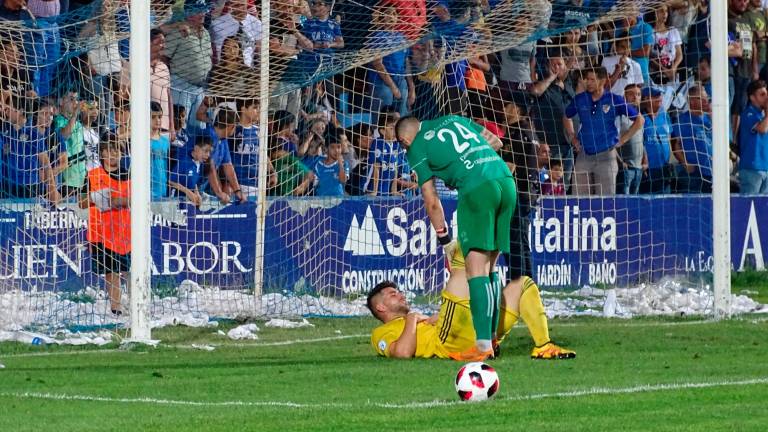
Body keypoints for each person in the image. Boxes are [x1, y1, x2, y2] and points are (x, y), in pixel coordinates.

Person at [395, 114, 514, 361]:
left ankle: (481, 349)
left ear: (405, 141)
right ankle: (490, 340)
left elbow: (431, 201)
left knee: (475, 270)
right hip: (504, 179)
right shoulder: (453, 119)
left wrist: (445, 240)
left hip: (478, 188)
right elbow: (496, 142)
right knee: (491, 266)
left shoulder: (416, 148)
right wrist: (462, 162)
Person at [367, 247, 575, 360]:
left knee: (522, 285)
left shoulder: (420, 319)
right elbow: (403, 353)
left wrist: (432, 317)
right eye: (392, 294)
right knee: (462, 259)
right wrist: (413, 318)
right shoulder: (380, 335)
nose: (400, 294)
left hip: (472, 330)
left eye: (397, 291)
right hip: (448, 343)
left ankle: (543, 346)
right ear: (380, 308)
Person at [564, 67, 644, 196]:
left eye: (592, 79)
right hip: (584, 154)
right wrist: (572, 137)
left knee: (605, 202)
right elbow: (566, 116)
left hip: (606, 155)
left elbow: (639, 120)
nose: (588, 82)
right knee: (579, 199)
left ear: (602, 81)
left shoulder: (614, 99)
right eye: (587, 79)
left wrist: (623, 139)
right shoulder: (580, 99)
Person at [80, 138, 130, 315]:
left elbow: (137, 198)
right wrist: (99, 198)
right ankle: (115, 308)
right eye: (109, 150)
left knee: (129, 269)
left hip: (126, 231)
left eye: (117, 149)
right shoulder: (92, 175)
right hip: (101, 231)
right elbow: (81, 203)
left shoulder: (130, 174)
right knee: (111, 271)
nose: (113, 153)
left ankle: (136, 302)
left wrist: (121, 201)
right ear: (101, 154)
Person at [199, 108, 247, 204]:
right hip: (187, 183)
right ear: (230, 126)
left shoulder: (223, 139)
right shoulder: (208, 135)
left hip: (201, 186)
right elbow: (210, 167)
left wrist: (237, 190)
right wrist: (219, 192)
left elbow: (228, 166)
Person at [673, 85, 713, 193]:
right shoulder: (682, 120)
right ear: (692, 101)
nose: (706, 101)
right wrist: (685, 163)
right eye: (702, 98)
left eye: (707, 98)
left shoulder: (710, 119)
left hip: (710, 170)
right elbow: (676, 145)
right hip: (693, 173)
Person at [640, 86, 680, 194]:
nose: (659, 98)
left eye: (660, 95)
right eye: (655, 96)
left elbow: (669, 137)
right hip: (648, 170)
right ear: (646, 99)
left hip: (664, 168)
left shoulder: (664, 114)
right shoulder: (640, 117)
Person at [54, 91, 87, 198]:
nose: (75, 103)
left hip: (82, 178)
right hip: (67, 180)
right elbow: (64, 135)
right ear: (61, 101)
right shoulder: (57, 121)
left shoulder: (78, 124)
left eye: (76, 99)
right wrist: (75, 114)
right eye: (71, 99)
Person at [738, 79, 768, 193]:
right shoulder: (748, 113)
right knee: (747, 207)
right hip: (751, 169)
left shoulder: (764, 114)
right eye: (762, 95)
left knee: (764, 209)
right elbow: (762, 129)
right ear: (752, 98)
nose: (766, 98)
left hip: (765, 167)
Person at [617, 84, 647, 195]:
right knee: (624, 203)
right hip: (626, 169)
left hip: (639, 169)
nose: (635, 97)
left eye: (638, 94)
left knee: (635, 204)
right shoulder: (619, 117)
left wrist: (645, 161)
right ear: (625, 96)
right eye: (632, 94)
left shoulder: (640, 118)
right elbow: (612, 142)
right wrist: (620, 162)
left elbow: (641, 141)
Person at [169, 136, 213, 207]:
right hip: (173, 203)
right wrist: (188, 192)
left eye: (209, 152)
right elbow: (171, 181)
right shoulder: (184, 161)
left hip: (186, 203)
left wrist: (196, 193)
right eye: (205, 151)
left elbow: (192, 182)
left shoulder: (199, 163)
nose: (208, 155)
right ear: (196, 148)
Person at [310, 130, 349, 196]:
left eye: (338, 147)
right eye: (332, 147)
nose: (336, 150)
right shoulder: (318, 163)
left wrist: (340, 165)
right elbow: (314, 183)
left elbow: (343, 180)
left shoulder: (344, 163)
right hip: (320, 201)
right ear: (326, 148)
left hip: (338, 201)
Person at [149, 101, 170, 199]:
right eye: (153, 117)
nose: (157, 120)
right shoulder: (141, 142)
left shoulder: (165, 141)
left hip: (163, 190)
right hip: (147, 191)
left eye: (159, 117)